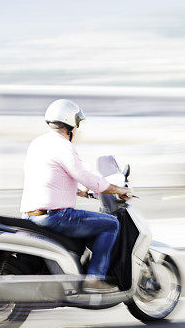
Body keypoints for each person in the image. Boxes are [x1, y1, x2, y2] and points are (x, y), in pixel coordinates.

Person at [20, 99, 131, 293]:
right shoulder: (63, 146)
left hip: (30, 215)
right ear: (71, 124)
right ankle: (95, 278)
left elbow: (50, 178)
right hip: (55, 217)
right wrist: (118, 189)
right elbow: (87, 177)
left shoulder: (38, 143)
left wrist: (81, 192)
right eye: (77, 124)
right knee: (111, 224)